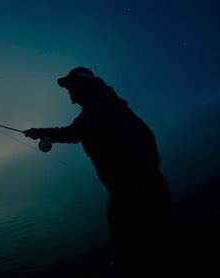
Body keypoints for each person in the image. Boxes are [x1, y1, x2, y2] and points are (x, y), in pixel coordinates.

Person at [23, 67, 171, 277]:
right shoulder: (93, 110)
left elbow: (76, 133)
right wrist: (40, 133)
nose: (68, 91)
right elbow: (72, 133)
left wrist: (136, 183)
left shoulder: (102, 107)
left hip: (136, 191)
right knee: (148, 248)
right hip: (135, 189)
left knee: (139, 251)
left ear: (80, 84)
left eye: (69, 86)